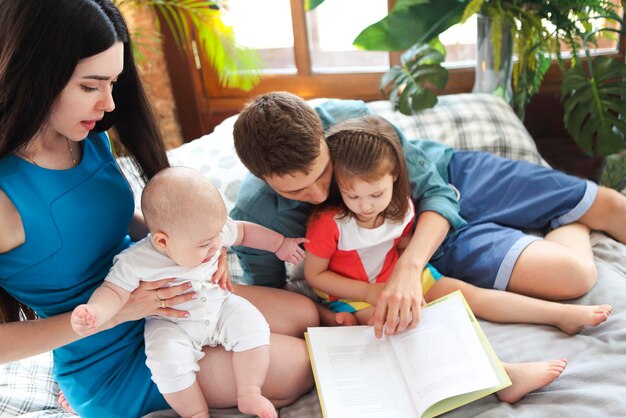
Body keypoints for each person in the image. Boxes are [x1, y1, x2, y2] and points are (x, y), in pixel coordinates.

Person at [0, 2, 316, 417]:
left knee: (305, 313)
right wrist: (121, 312)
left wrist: (196, 244)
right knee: (298, 368)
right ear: (36, 74)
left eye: (113, 83)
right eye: (90, 86)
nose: (109, 104)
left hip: (167, 290)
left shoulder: (87, 136)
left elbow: (108, 225)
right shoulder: (6, 196)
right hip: (110, 356)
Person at [231, 91, 626, 339]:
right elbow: (275, 296)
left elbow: (436, 192)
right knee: (575, 277)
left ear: (323, 134)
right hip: (425, 242)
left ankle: (561, 214)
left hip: (451, 178)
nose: (318, 193)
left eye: (323, 173)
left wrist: (408, 268)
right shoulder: (255, 215)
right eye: (296, 191)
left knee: (610, 205)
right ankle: (568, 221)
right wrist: (329, 314)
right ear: (260, 176)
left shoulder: (351, 120)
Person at [304, 115, 611, 337]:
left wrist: (406, 268)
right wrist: (368, 292)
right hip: (354, 292)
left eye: (375, 194)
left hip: (395, 276)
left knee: (471, 295)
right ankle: (505, 372)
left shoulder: (403, 207)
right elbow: (315, 275)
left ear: (396, 176)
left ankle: (560, 315)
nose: (366, 205)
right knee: (399, 325)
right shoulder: (329, 223)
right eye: (352, 195)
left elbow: (398, 242)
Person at [72, 167, 308, 418]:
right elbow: (113, 291)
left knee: (253, 324)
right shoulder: (136, 261)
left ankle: (249, 392)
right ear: (163, 242)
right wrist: (96, 310)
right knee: (165, 362)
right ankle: (195, 413)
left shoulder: (209, 231)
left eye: (217, 235)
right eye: (205, 244)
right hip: (173, 324)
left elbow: (243, 231)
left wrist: (280, 244)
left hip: (220, 307)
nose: (216, 245)